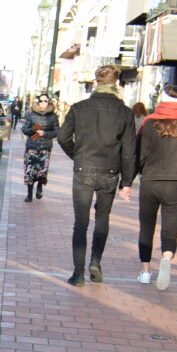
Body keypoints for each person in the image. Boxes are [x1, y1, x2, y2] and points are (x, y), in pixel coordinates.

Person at [58, 65, 136, 286]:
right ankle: (95, 262)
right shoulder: (125, 112)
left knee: (80, 222)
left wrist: (78, 156)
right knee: (103, 218)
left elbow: (63, 138)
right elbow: (129, 150)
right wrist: (127, 182)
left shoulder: (79, 108)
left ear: (95, 83)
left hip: (84, 169)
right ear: (117, 84)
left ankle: (78, 274)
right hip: (110, 172)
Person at [121, 85, 177, 290]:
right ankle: (166, 257)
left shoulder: (149, 122)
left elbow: (139, 154)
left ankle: (145, 272)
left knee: (146, 228)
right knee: (170, 229)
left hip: (152, 181)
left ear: (162, 100)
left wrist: (127, 182)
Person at [20, 96, 58, 203]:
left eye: (45, 100)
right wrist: (33, 129)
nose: (43, 103)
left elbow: (57, 132)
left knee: (42, 172)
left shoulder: (53, 116)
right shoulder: (31, 115)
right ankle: (29, 194)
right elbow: (25, 130)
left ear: (48, 102)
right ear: (38, 102)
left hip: (45, 148)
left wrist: (44, 133)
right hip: (31, 147)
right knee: (30, 171)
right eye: (41, 101)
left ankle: (40, 186)